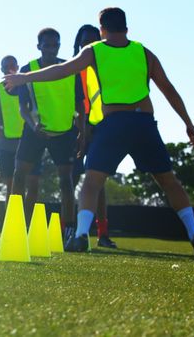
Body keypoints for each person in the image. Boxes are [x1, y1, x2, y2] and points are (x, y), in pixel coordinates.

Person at [4, 8, 194, 256]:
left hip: (114, 124)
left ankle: (80, 235)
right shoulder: (143, 52)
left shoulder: (95, 50)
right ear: (126, 28)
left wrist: (24, 77)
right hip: (144, 122)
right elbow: (168, 89)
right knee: (168, 181)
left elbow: (61, 71)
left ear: (101, 29)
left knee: (92, 182)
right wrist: (188, 123)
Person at [11, 28, 85, 231]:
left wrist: (82, 133)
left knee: (66, 182)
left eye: (55, 45)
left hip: (64, 133)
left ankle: (68, 230)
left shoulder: (70, 69)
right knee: (19, 176)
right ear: (39, 47)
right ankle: (15, 226)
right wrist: (33, 124)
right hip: (35, 131)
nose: (52, 49)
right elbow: (22, 108)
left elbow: (80, 104)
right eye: (47, 45)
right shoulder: (28, 69)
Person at [0, 55, 42, 212]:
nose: (10, 69)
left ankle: (28, 224)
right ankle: (11, 226)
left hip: (30, 141)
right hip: (7, 145)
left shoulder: (28, 86)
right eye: (6, 67)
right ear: (2, 70)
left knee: (33, 183)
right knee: (11, 187)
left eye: (13, 66)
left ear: (18, 68)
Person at [70, 24, 116, 249]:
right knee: (69, 180)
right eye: (83, 42)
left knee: (98, 182)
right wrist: (80, 130)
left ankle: (103, 234)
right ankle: (71, 231)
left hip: (98, 128)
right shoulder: (71, 69)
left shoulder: (105, 66)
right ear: (78, 45)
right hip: (73, 129)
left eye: (92, 41)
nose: (87, 45)